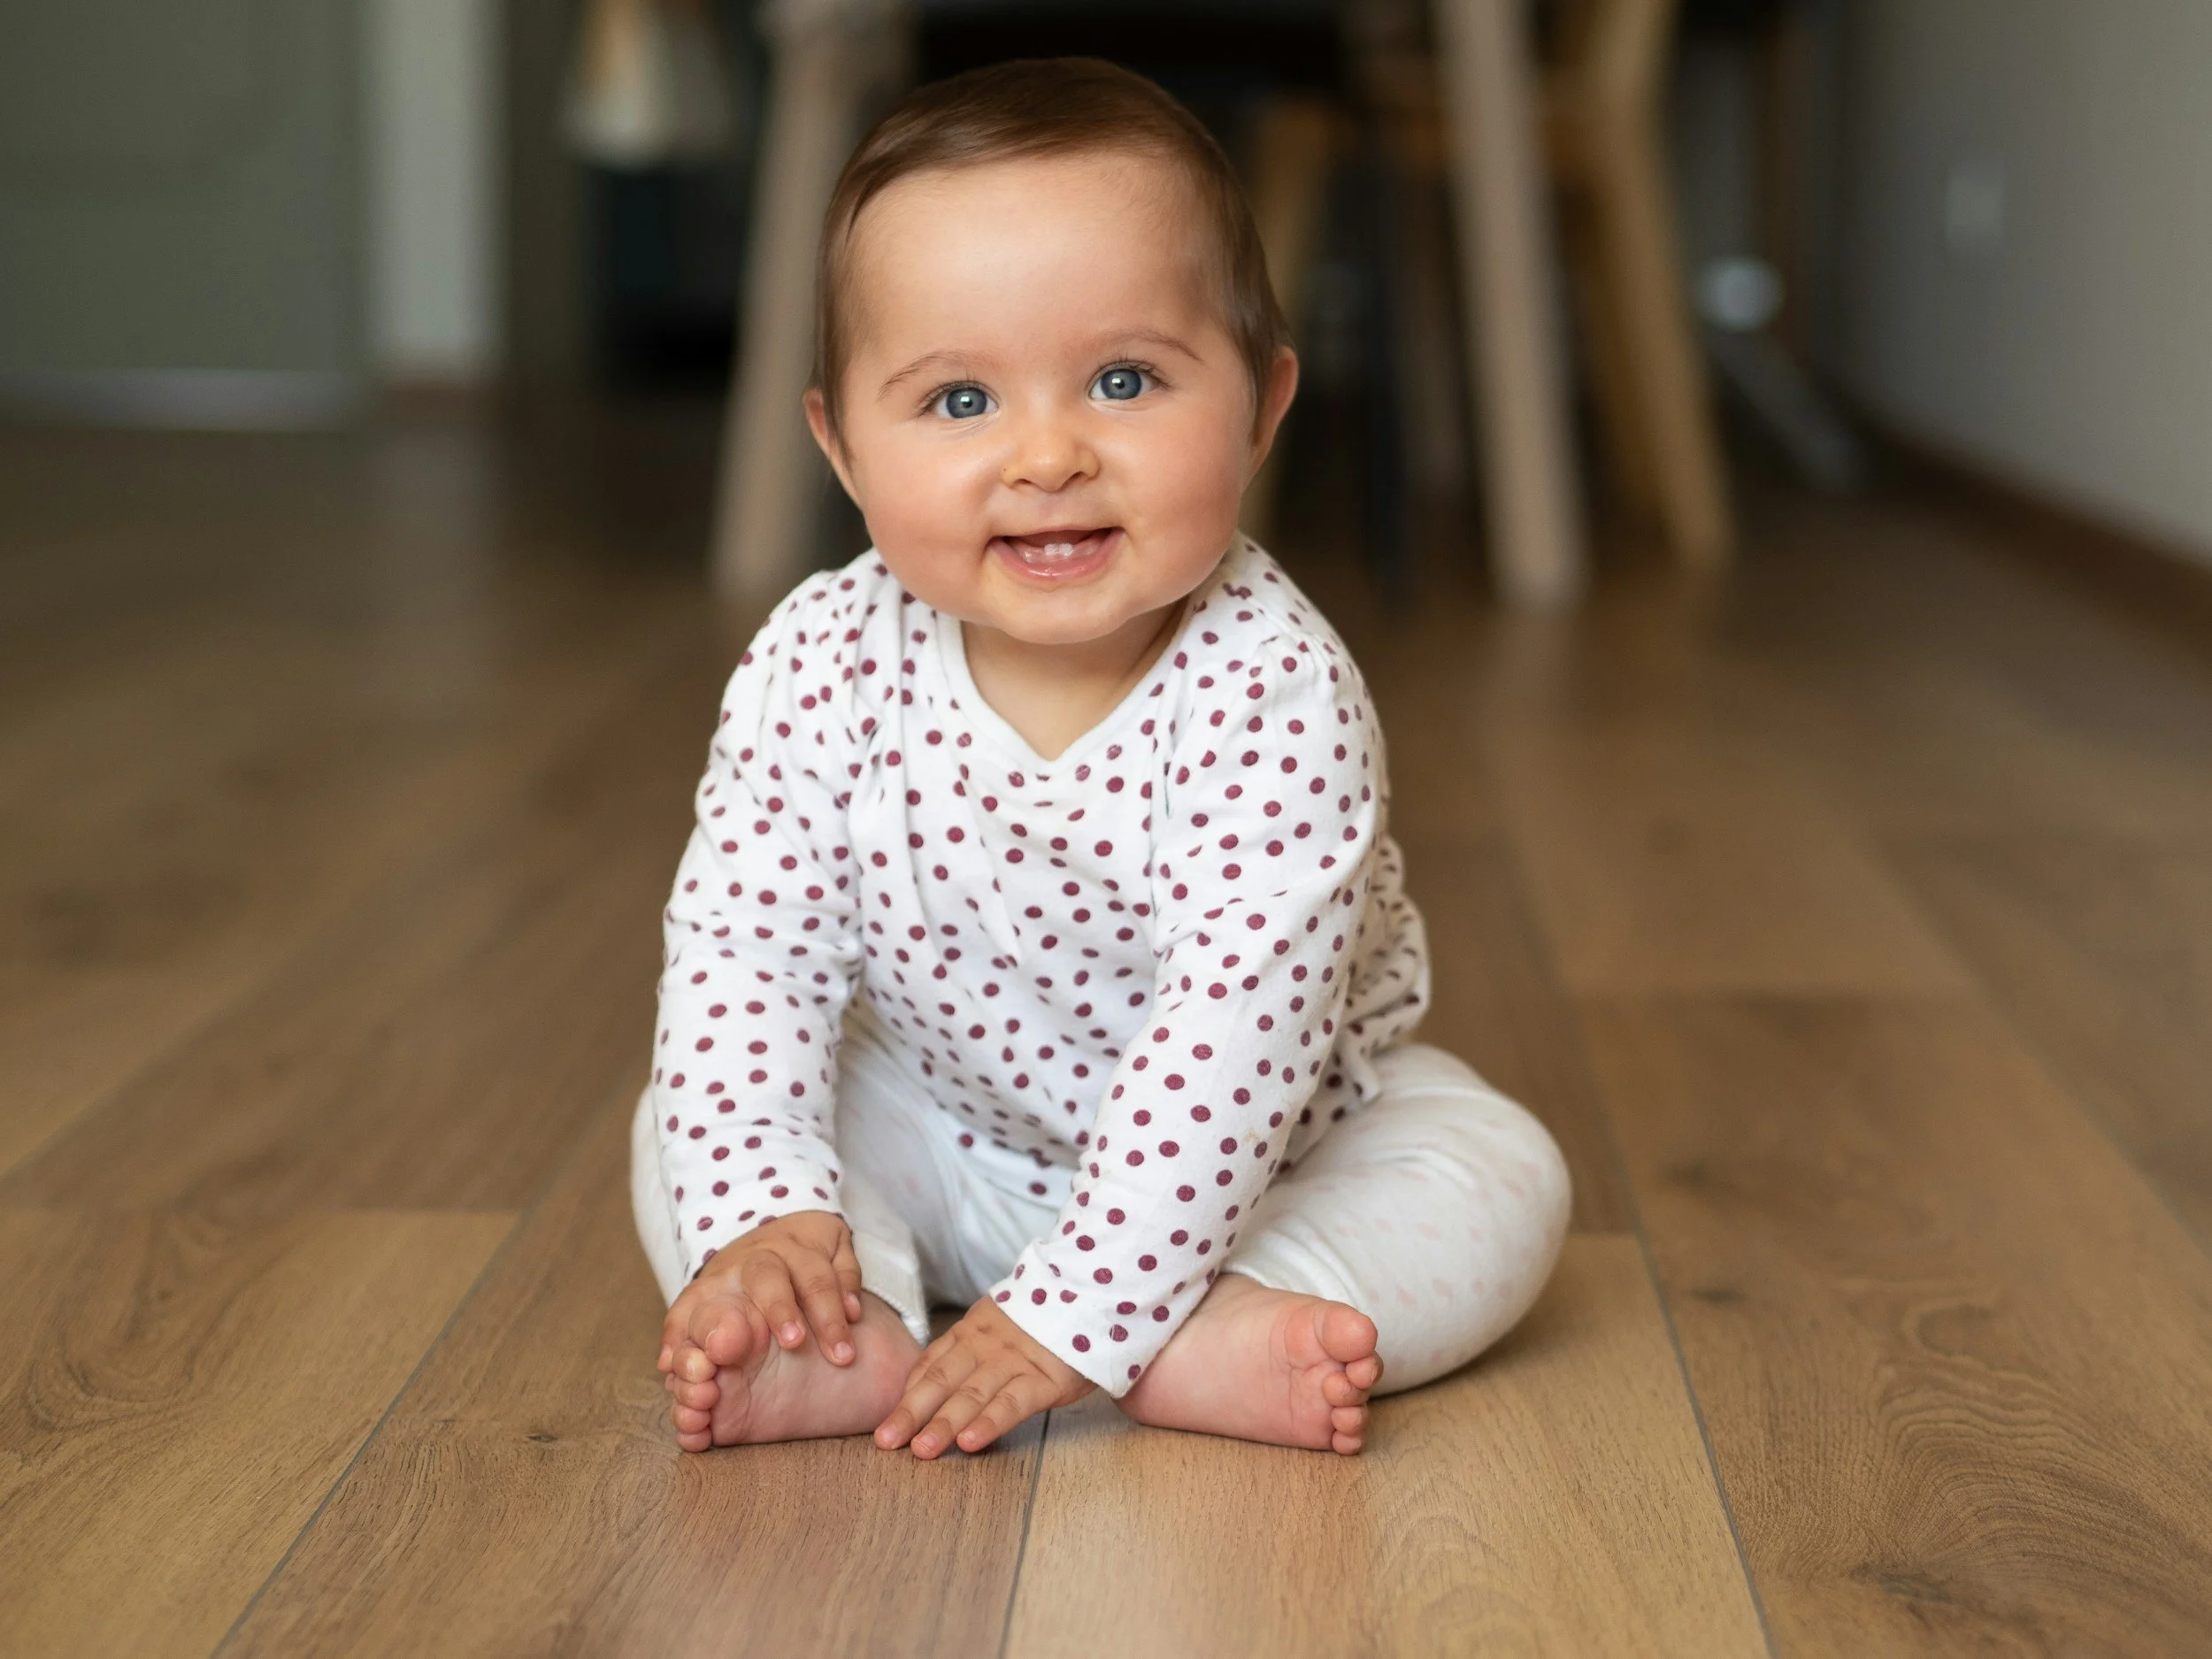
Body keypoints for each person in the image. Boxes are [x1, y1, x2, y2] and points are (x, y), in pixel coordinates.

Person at [635, 57, 1570, 1460]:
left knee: (1503, 1175)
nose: (1049, 453)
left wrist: (1085, 1311)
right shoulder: (817, 662)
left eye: (1123, 379)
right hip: (943, 1128)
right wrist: (768, 1211)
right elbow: (745, 952)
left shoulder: (1276, 688)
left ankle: (1224, 1318)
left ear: (1261, 406)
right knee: (686, 1119)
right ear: (839, 446)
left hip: (1271, 1163)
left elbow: (1237, 1035)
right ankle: (843, 1322)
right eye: (959, 402)